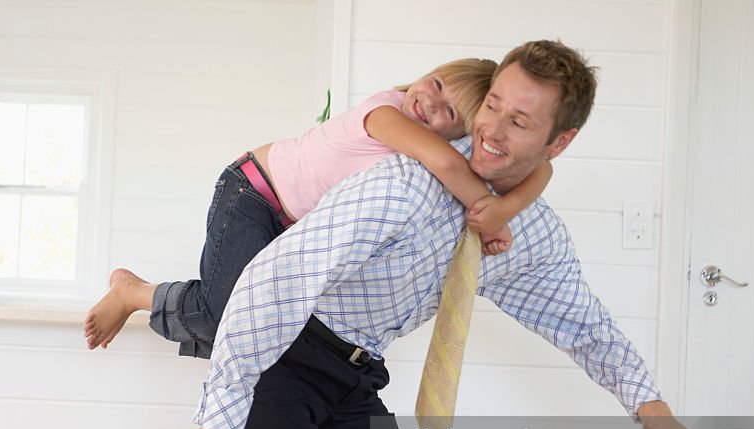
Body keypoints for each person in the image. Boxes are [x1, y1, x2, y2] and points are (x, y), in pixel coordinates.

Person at [60, 39, 701, 429]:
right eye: (494, 105)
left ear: (557, 144)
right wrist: (223, 418)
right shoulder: (402, 183)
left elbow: (581, 321)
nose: (492, 129)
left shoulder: (528, 233)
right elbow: (276, 280)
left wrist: (652, 408)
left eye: (520, 121)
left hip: (353, 378)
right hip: (286, 353)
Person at [82, 58, 556, 356]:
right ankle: (133, 292)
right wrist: (492, 215)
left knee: (265, 321)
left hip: (289, 222)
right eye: (434, 85)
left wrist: (508, 206)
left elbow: (543, 169)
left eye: (448, 113)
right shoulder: (387, 112)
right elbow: (448, 165)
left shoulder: (428, 153)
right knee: (223, 311)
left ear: (458, 133)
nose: (428, 103)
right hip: (253, 192)